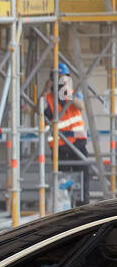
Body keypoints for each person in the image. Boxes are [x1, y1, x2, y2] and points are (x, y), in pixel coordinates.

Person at [42, 63, 93, 204]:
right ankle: (65, 207)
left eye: (62, 78)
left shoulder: (73, 93)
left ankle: (83, 207)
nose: (59, 81)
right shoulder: (48, 98)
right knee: (62, 182)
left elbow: (80, 106)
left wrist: (66, 92)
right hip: (59, 146)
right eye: (56, 78)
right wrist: (46, 89)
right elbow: (40, 108)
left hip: (78, 144)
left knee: (82, 178)